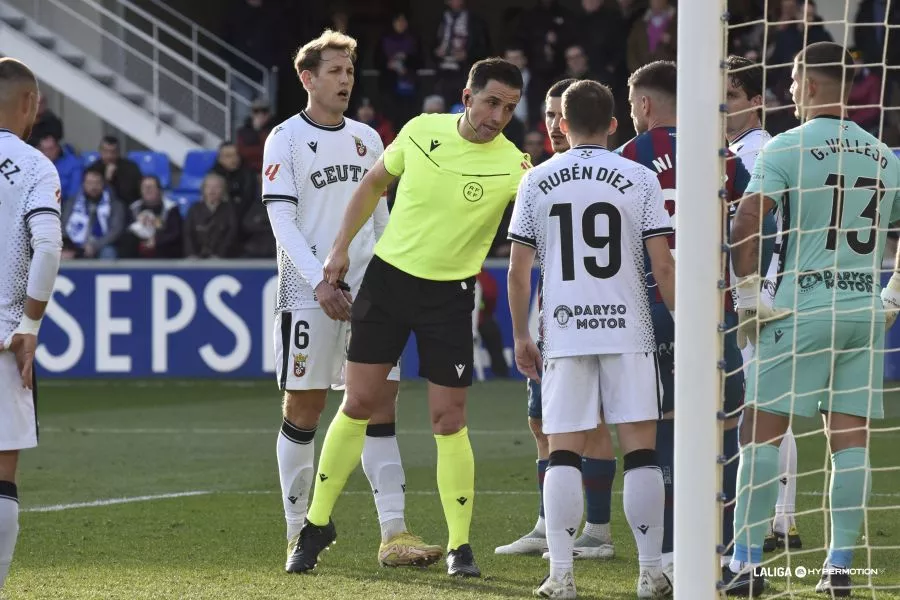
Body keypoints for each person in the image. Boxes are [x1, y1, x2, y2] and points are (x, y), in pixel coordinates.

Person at [293, 57, 531, 578]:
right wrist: (339, 249)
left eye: (510, 108)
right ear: (466, 97)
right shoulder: (421, 131)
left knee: (449, 420)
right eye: (491, 102)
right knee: (357, 403)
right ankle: (315, 526)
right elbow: (371, 186)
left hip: (449, 298)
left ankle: (460, 546)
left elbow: (541, 223)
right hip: (388, 284)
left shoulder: (516, 167)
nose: (498, 116)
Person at [262, 30, 441, 574]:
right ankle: (299, 532)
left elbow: (381, 218)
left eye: (350, 71)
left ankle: (394, 533)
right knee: (304, 409)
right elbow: (281, 219)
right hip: (307, 293)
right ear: (307, 78)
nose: (345, 80)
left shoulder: (367, 138)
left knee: (378, 406)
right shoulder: (284, 139)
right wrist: (319, 280)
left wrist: (385, 284)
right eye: (335, 71)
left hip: (368, 295)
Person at [726, 41, 900, 597]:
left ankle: (746, 565)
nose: (791, 89)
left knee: (759, 434)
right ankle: (839, 567)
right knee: (850, 442)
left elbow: (748, 221)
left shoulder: (786, 147)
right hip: (861, 313)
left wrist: (749, 294)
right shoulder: (885, 155)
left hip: (800, 310)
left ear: (814, 84)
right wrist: (893, 294)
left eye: (796, 79)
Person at [508, 79, 675, 599]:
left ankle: (561, 575)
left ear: (561, 123)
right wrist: (689, 327)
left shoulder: (537, 180)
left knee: (562, 453)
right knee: (642, 453)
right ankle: (650, 572)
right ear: (612, 125)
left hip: (564, 331)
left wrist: (520, 334)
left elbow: (519, 270)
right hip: (629, 328)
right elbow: (663, 263)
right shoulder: (639, 176)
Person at [618, 60, 754, 577]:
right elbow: (748, 222)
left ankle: (671, 556)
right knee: (725, 428)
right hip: (716, 309)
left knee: (660, 431)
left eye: (632, 106)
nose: (633, 115)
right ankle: (726, 551)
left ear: (646, 104)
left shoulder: (629, 156)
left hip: (652, 310)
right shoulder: (721, 153)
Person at [495, 78, 619, 562]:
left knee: (594, 424)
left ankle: (599, 529)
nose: (551, 124)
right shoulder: (542, 175)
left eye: (556, 115)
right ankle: (550, 524)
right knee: (541, 422)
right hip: (553, 322)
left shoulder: (597, 176)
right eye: (545, 116)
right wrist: (530, 327)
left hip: (595, 320)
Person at [725, 54, 802, 556]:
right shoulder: (737, 150)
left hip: (758, 296)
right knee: (764, 407)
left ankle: (778, 519)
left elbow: (763, 226)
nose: (717, 106)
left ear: (756, 103)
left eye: (729, 97)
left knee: (760, 407)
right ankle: (782, 519)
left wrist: (752, 290)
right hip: (756, 292)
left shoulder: (757, 153)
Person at [0, 58, 63, 591]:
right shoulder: (35, 167)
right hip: (2, 339)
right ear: (30, 105)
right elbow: (46, 245)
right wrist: (29, 325)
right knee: (1, 480)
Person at [61, 169, 125, 260]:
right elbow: (63, 225)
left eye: (97, 183)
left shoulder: (114, 205)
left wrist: (95, 246)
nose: (93, 187)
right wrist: (68, 247)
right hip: (73, 245)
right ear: (83, 184)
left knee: (109, 252)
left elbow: (115, 231)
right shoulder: (72, 203)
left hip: (101, 246)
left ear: (103, 184)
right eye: (90, 183)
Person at [120, 175, 183, 259]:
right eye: (144, 187)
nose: (147, 190)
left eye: (151, 187)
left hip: (163, 250)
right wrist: (142, 243)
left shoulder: (171, 208)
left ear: (159, 190)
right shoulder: (134, 208)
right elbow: (127, 231)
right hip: (138, 249)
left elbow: (174, 233)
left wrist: (156, 241)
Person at [183, 173, 237, 259]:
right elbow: (188, 234)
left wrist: (219, 255)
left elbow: (231, 235)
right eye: (208, 187)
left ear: (223, 190)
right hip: (196, 258)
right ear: (203, 189)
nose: (212, 190)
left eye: (217, 187)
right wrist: (192, 255)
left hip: (221, 258)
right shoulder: (194, 209)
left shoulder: (229, 210)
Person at [88, 136, 142, 205]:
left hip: (126, 207)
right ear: (100, 151)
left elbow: (130, 194)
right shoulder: (92, 169)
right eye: (106, 151)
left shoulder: (131, 168)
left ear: (118, 152)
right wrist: (106, 180)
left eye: (113, 152)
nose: (109, 156)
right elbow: (90, 194)